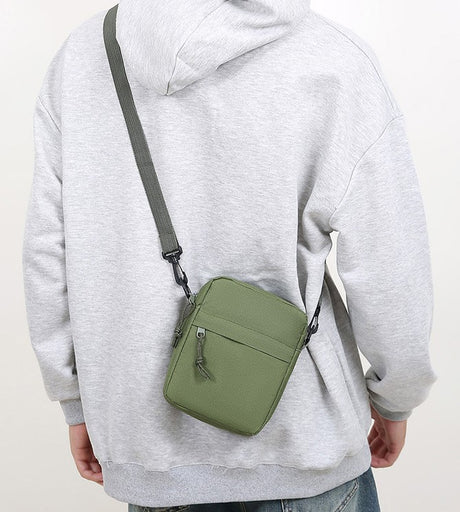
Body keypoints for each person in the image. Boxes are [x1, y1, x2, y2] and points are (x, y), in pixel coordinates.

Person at [22, 1, 438, 511]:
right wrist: (396, 398)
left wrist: (75, 399)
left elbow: (48, 253)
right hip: (305, 447)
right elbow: (391, 269)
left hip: (148, 452)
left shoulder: (83, 56)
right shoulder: (336, 59)